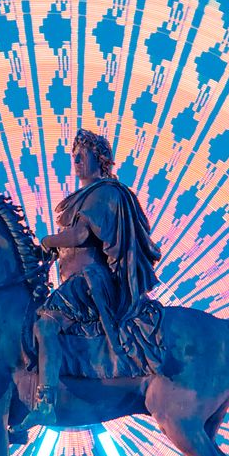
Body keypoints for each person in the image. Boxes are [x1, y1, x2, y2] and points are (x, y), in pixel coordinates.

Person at [22, 130, 163, 427]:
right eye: (73, 156)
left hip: (90, 282)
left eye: (81, 155)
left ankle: (45, 402)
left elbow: (80, 235)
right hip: (75, 282)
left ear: (98, 159)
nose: (75, 161)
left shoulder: (105, 193)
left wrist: (48, 240)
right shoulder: (87, 196)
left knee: (46, 325)